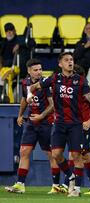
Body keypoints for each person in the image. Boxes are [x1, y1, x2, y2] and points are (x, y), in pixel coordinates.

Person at [26, 52, 90, 197]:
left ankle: (75, 189)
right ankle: (70, 176)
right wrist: (30, 96)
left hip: (75, 124)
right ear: (60, 64)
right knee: (56, 154)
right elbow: (33, 87)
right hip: (59, 123)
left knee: (77, 156)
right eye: (66, 60)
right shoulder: (54, 78)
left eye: (71, 60)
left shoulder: (80, 81)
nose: (70, 62)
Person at [4, 59, 59, 194]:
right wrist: (20, 115)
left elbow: (53, 105)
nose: (39, 72)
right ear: (29, 71)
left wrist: (41, 116)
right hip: (31, 122)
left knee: (51, 154)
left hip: (46, 122)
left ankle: (57, 186)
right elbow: (24, 100)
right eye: (35, 70)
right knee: (24, 152)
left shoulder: (46, 84)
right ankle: (20, 184)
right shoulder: (25, 82)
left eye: (40, 69)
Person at [57, 65, 90, 195]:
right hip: (74, 126)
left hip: (84, 127)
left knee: (75, 154)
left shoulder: (86, 92)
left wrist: (88, 122)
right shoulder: (70, 91)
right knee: (85, 156)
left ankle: (68, 184)